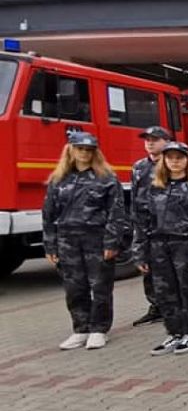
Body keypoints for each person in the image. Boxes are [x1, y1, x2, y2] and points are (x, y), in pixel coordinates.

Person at [42, 132, 128, 350]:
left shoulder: (107, 178)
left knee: (100, 287)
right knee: (74, 287)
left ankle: (99, 329)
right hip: (67, 240)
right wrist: (50, 245)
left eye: (89, 150)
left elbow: (116, 213)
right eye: (80, 149)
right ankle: (81, 329)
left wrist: (111, 242)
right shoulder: (58, 179)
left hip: (96, 239)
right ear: (71, 150)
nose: (84, 153)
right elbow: (49, 215)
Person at [134, 142, 188, 356]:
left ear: (187, 161)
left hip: (184, 245)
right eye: (170, 157)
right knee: (164, 291)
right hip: (158, 246)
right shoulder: (155, 188)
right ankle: (173, 332)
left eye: (179, 157)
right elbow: (142, 222)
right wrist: (140, 251)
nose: (175, 161)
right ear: (164, 161)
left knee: (187, 290)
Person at [130, 125, 171, 326]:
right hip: (144, 224)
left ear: (166, 141)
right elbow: (134, 196)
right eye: (147, 139)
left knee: (167, 269)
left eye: (155, 139)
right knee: (147, 267)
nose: (150, 142)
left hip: (165, 225)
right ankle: (155, 306)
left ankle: (170, 306)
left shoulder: (174, 163)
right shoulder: (139, 166)